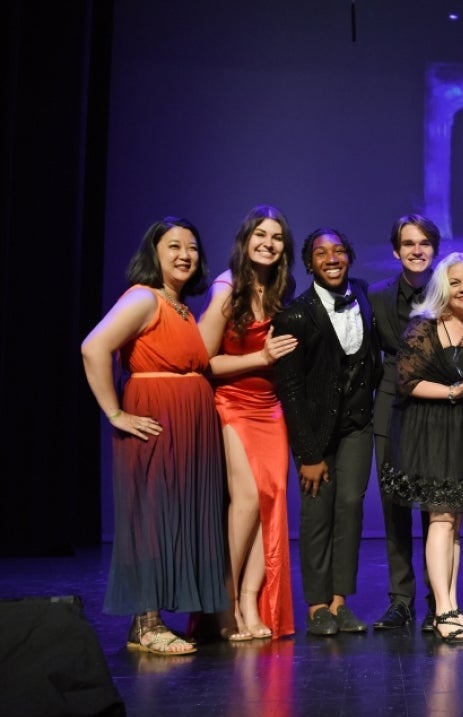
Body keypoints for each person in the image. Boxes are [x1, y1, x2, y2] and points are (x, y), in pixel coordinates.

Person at [80, 216, 226, 655]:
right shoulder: (144, 298)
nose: (185, 255)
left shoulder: (180, 307)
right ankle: (146, 624)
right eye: (174, 246)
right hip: (155, 417)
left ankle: (147, 623)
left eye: (193, 248)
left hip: (189, 421)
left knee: (173, 515)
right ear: (154, 254)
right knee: (150, 516)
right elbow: (93, 346)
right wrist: (115, 412)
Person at [380, 253, 463, 644]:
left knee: (456, 525)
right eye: (456, 282)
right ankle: (446, 609)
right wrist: (452, 391)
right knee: (442, 521)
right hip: (436, 432)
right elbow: (406, 381)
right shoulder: (425, 326)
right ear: (442, 287)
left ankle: (447, 609)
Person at [273, 228, 381, 636]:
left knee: (350, 507)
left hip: (356, 425)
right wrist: (307, 454)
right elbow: (291, 389)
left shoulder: (365, 297)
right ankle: (317, 605)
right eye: (321, 253)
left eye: (338, 250)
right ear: (310, 263)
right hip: (316, 434)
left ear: (349, 257)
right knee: (318, 513)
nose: (331, 258)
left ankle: (340, 602)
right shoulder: (295, 315)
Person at [197, 205, 298, 641]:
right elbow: (201, 359)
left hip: (270, 407)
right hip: (233, 404)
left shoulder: (277, 290)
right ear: (245, 239)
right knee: (246, 502)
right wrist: (261, 357)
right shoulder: (228, 288)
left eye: (276, 237)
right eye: (260, 234)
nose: (268, 243)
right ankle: (223, 602)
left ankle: (250, 603)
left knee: (270, 502)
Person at [368, 214, 438, 631]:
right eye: (408, 243)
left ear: (434, 249)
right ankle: (401, 600)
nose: (416, 250)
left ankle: (437, 599)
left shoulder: (450, 289)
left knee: (435, 507)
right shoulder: (376, 296)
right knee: (395, 509)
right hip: (390, 409)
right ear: (396, 251)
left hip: (436, 412)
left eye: (424, 243)